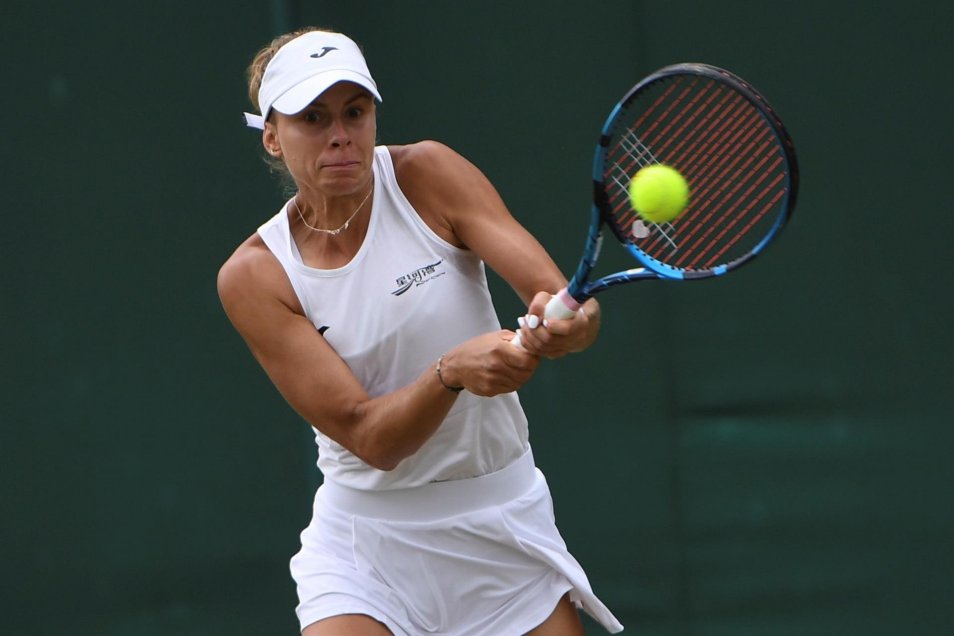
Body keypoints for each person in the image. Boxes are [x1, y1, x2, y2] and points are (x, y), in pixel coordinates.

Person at [218, 26, 624, 636]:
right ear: (272, 137)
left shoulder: (428, 174)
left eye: (355, 112)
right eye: (313, 118)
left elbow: (562, 304)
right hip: (365, 548)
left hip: (502, 525)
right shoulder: (255, 275)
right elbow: (369, 437)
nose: (340, 134)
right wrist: (451, 373)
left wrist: (568, 327)